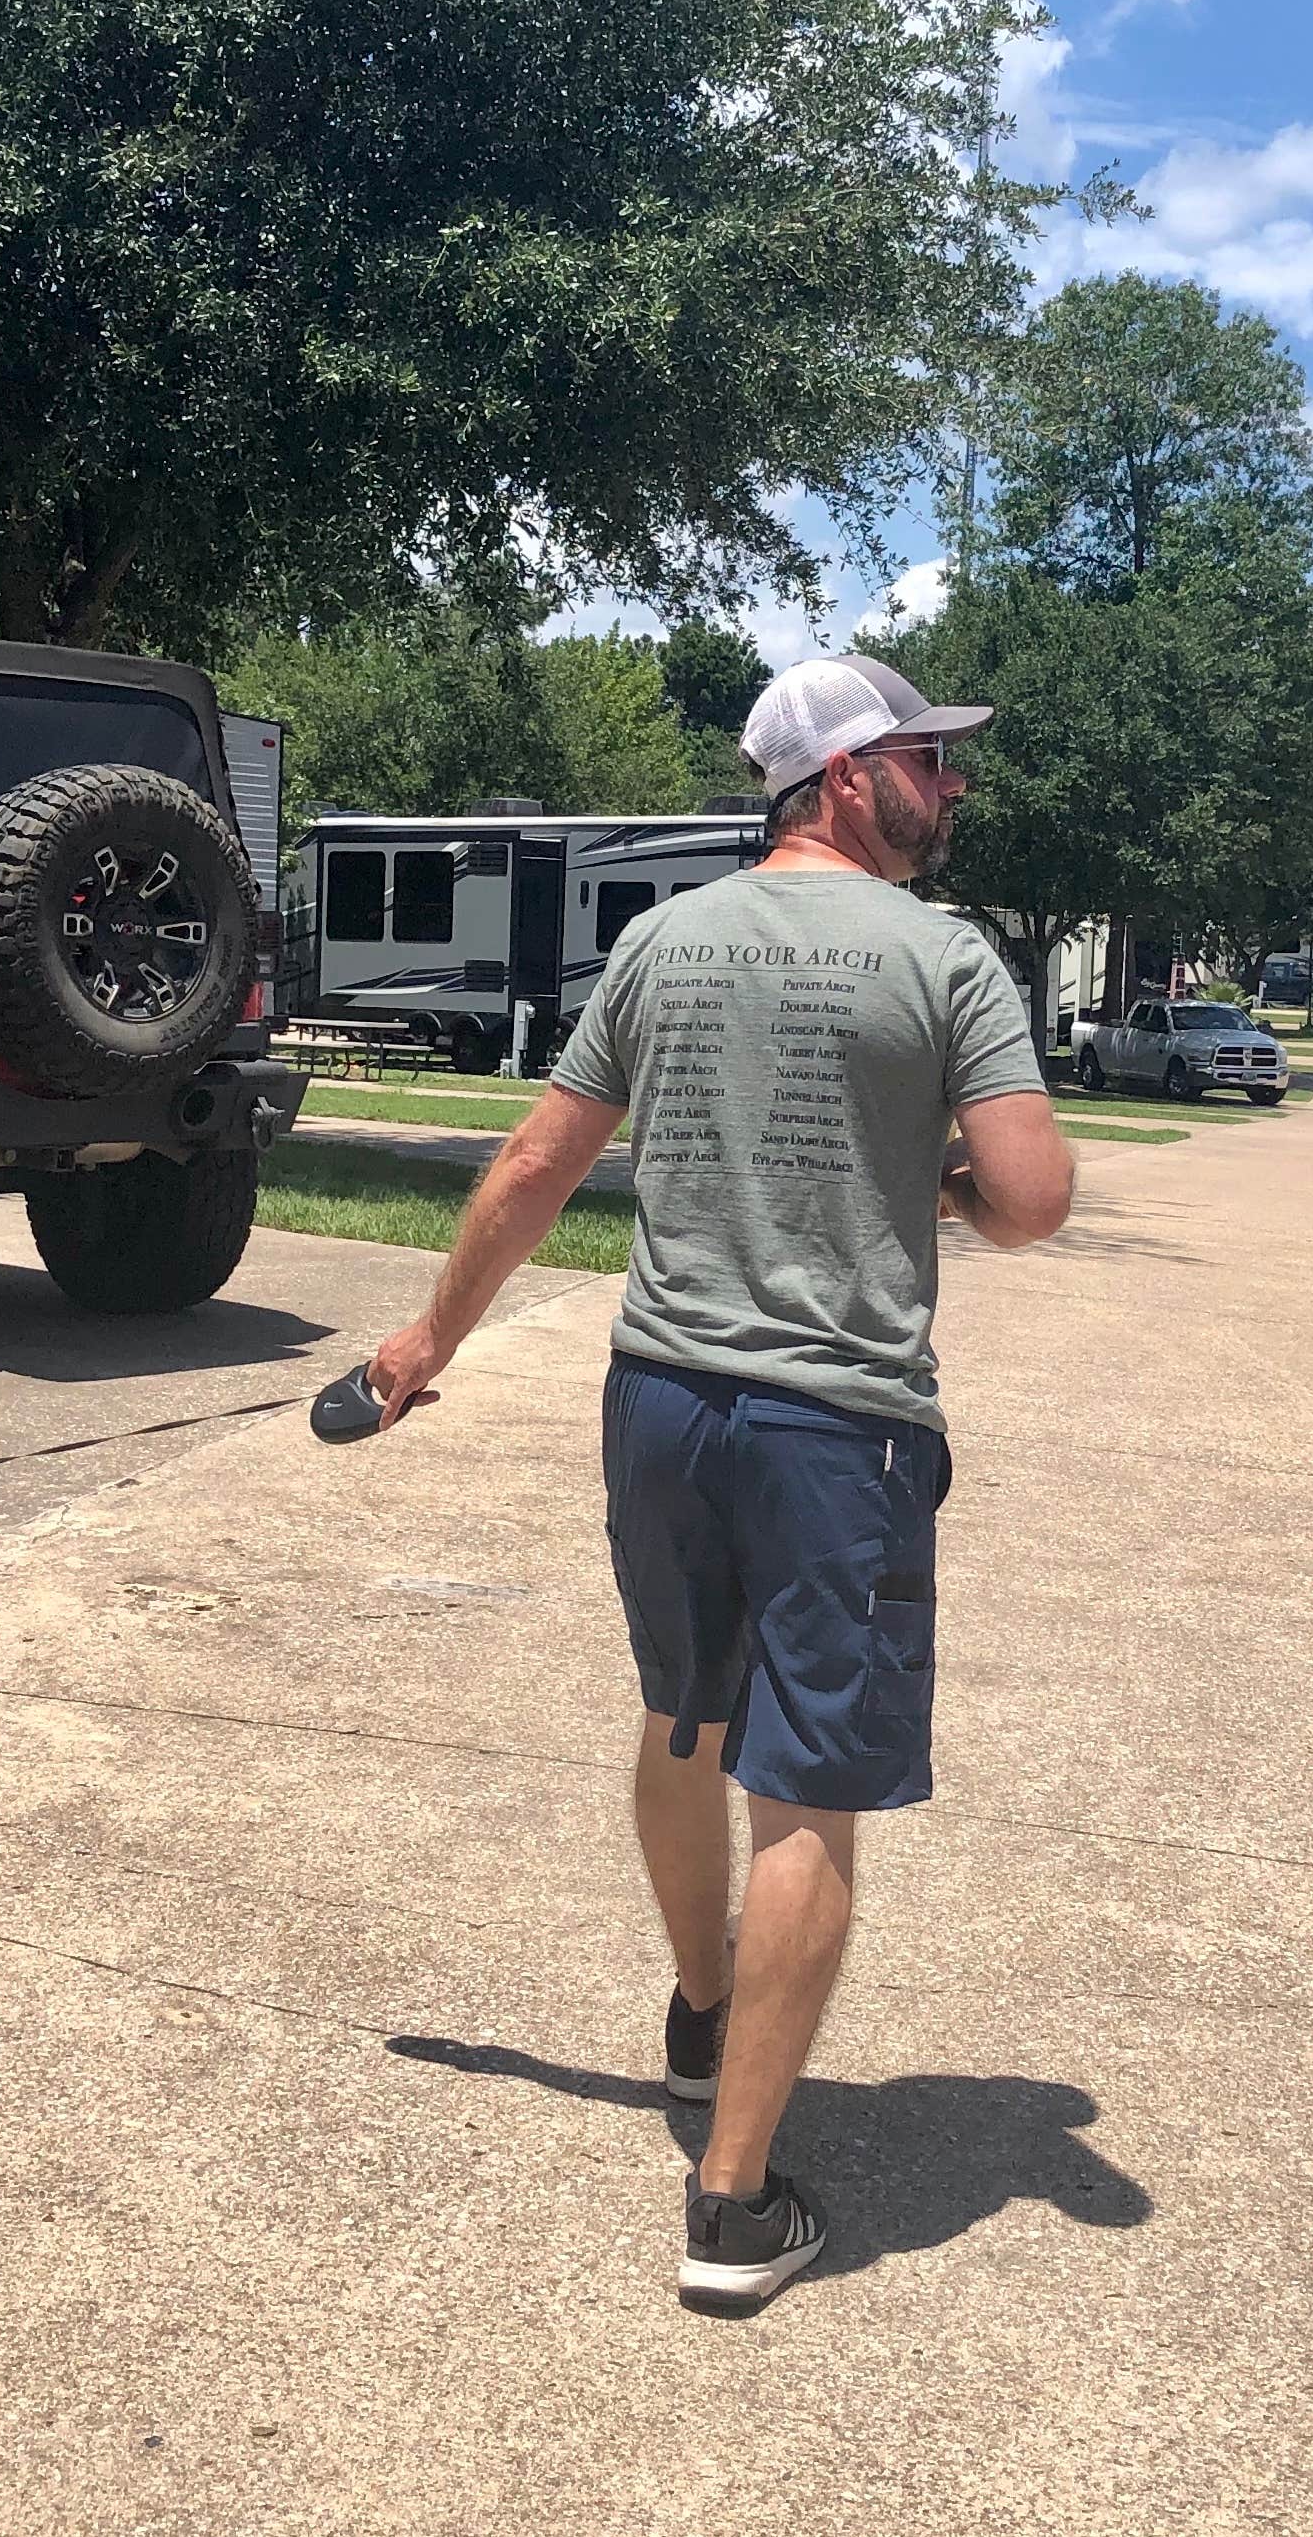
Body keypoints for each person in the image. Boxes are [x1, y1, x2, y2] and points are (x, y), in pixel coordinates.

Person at [359, 651, 1076, 2312]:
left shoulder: (662, 943)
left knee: (683, 1713)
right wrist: (948, 1179)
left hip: (663, 1403)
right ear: (840, 777)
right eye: (926, 762)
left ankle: (700, 2017)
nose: (951, 789)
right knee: (805, 1788)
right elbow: (1033, 1199)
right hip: (839, 1423)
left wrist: (426, 1342)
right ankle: (735, 2205)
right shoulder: (946, 956)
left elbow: (539, 1164)